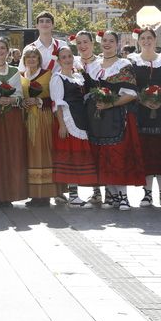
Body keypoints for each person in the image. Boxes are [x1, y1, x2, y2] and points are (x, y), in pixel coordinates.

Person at [87, 30, 144, 210]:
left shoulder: (123, 64)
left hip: (118, 116)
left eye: (111, 41)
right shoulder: (93, 65)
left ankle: (123, 196)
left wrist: (109, 105)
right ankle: (112, 196)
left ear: (117, 44)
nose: (107, 43)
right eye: (104, 40)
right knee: (103, 155)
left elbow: (131, 94)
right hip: (98, 118)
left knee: (118, 155)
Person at [130, 28, 161, 208]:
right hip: (141, 111)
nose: (146, 41)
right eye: (143, 38)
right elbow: (130, 85)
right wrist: (144, 100)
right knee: (146, 153)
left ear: (155, 39)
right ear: (138, 40)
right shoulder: (132, 61)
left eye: (149, 38)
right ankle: (147, 194)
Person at [0, 37, 28, 206]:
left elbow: (19, 96)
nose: (0, 51)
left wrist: (10, 100)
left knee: (11, 153)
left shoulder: (15, 71)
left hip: (12, 118)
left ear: (8, 50)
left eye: (3, 48)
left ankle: (9, 193)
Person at [51, 48, 98, 206]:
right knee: (72, 157)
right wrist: (62, 125)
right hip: (69, 119)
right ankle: (72, 196)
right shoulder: (57, 78)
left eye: (70, 56)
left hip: (82, 118)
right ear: (58, 61)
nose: (67, 59)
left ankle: (87, 193)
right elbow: (57, 104)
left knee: (81, 157)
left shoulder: (78, 76)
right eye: (63, 57)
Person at [19, 47, 60, 205]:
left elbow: (56, 97)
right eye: (28, 57)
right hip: (26, 118)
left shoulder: (48, 75)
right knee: (29, 155)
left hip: (44, 118)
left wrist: (39, 101)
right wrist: (23, 102)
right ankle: (33, 193)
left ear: (39, 59)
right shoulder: (21, 75)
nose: (31, 60)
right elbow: (19, 94)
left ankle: (45, 193)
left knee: (42, 153)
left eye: (34, 57)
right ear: (24, 60)